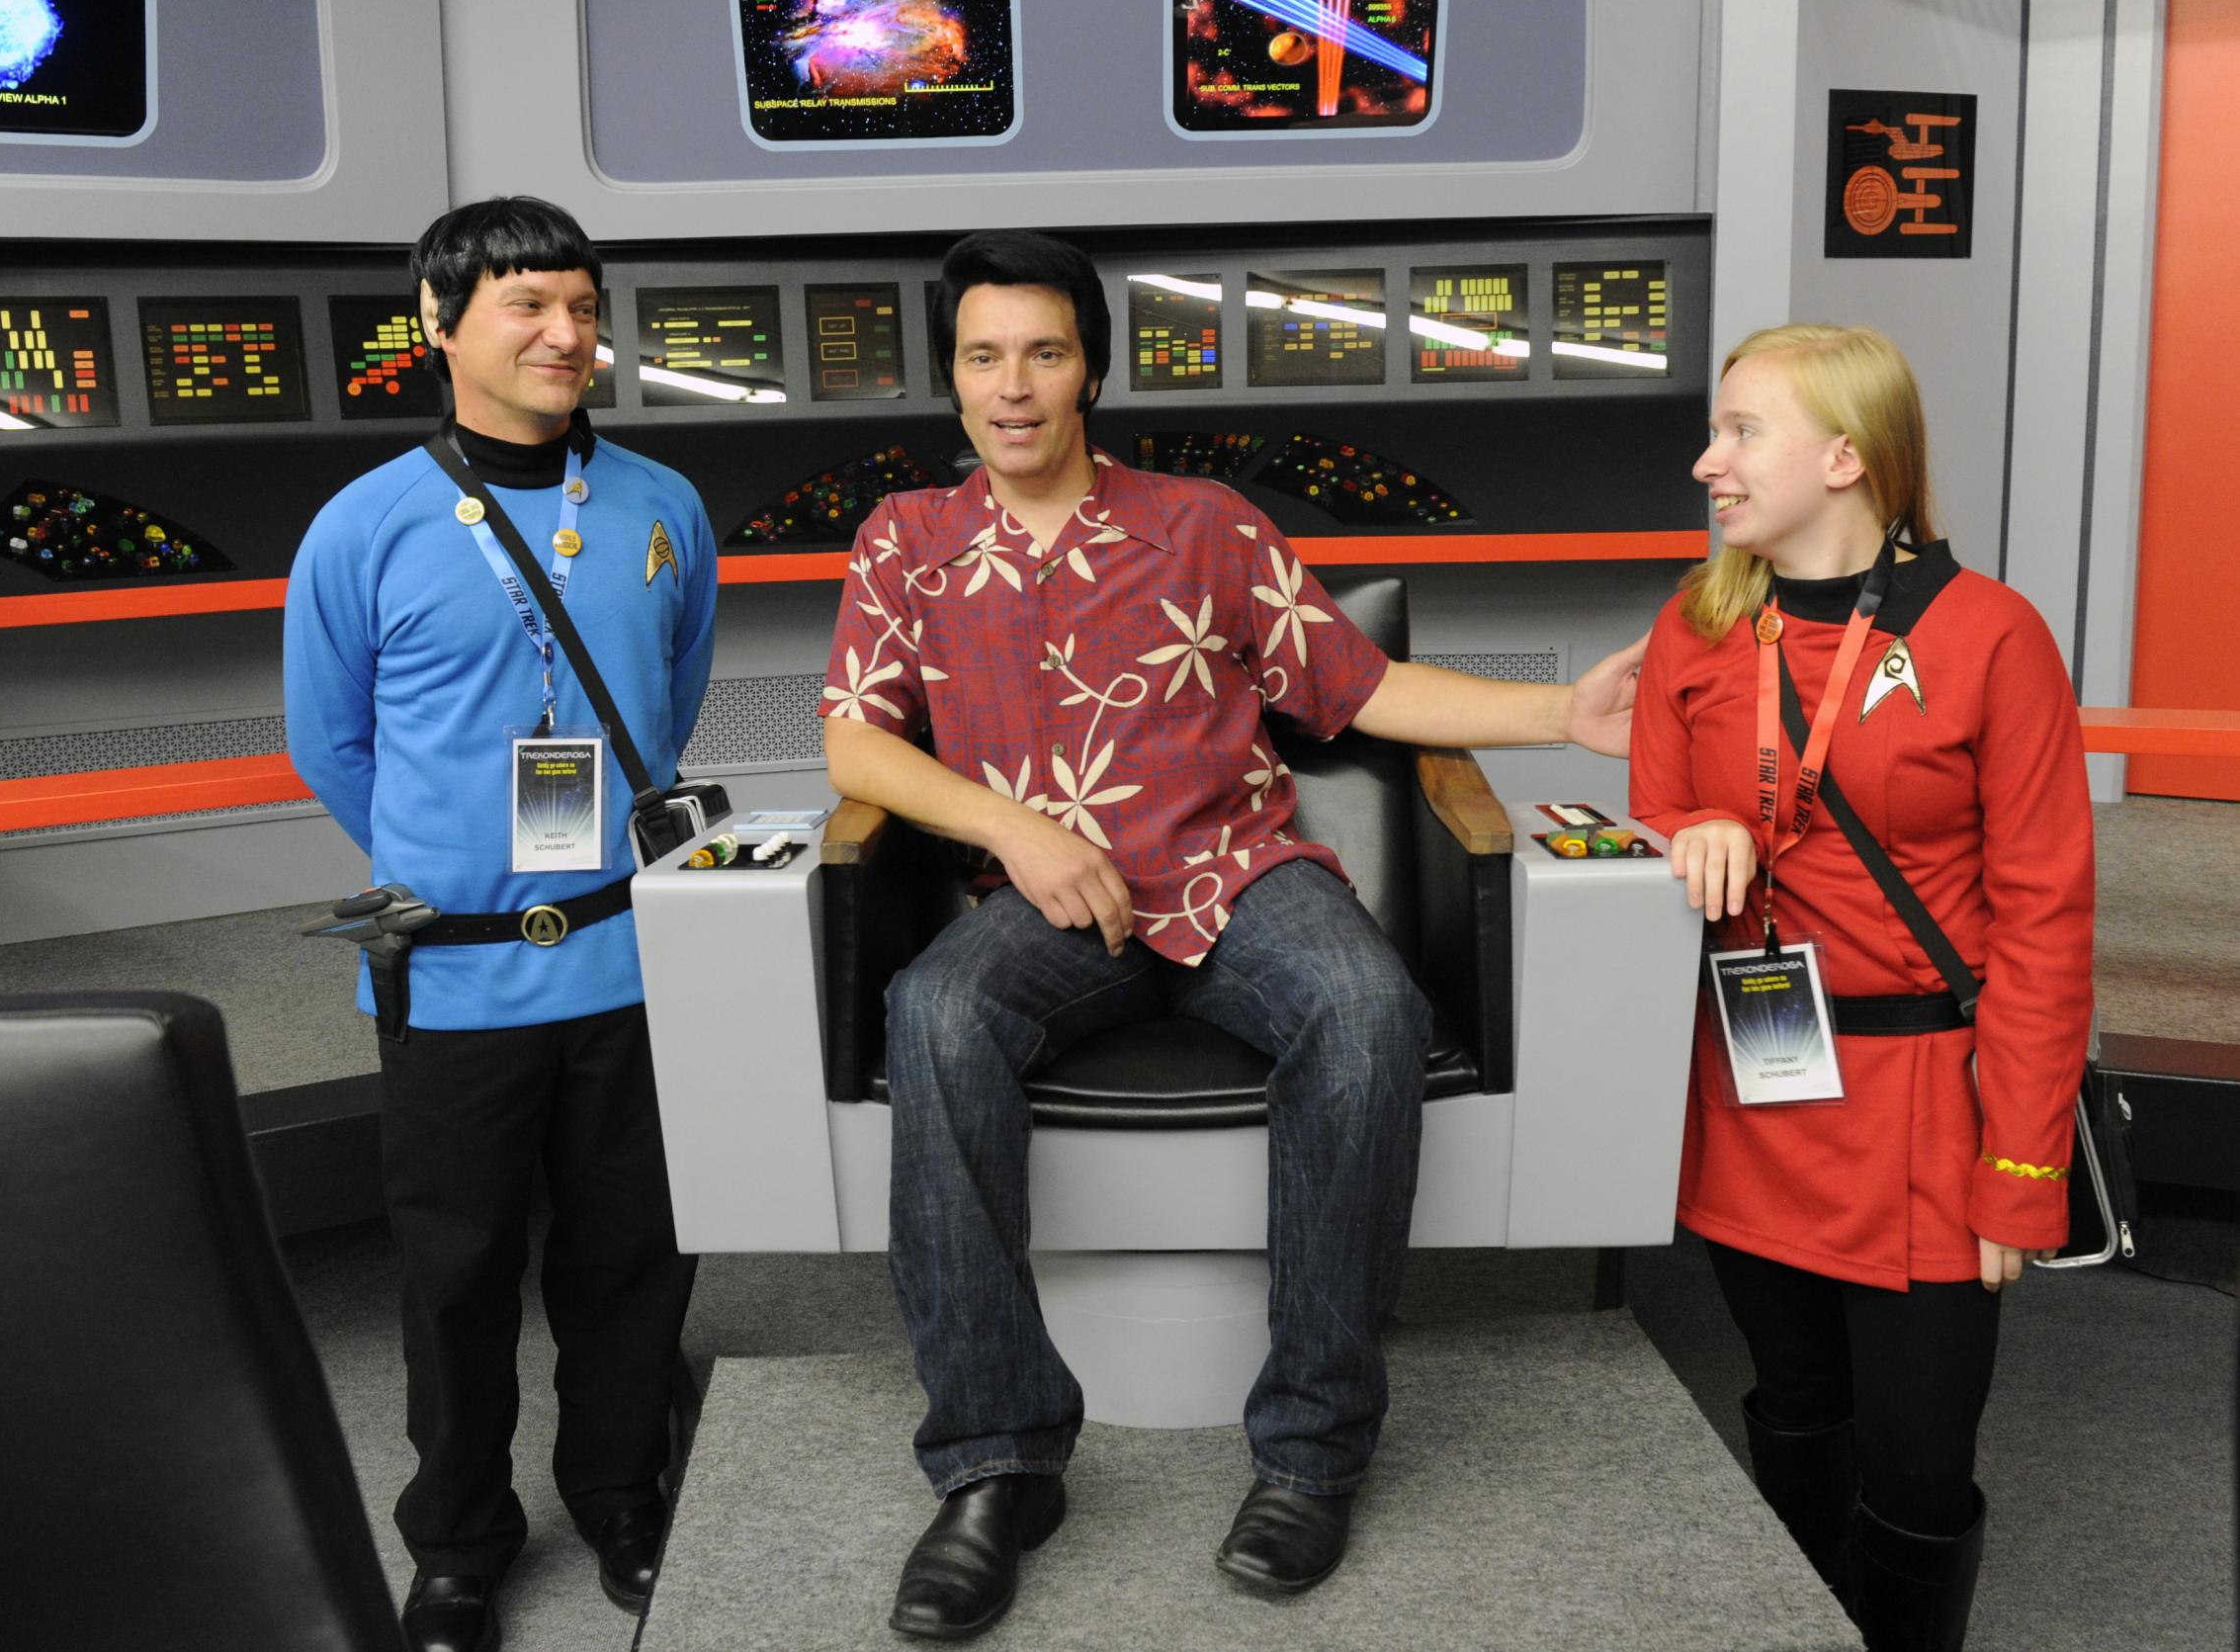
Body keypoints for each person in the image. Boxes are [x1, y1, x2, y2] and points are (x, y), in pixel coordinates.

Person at [818, 228, 1644, 1639]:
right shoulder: (910, 538)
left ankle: (1313, 1449)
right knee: (936, 1014)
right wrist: (1015, 828)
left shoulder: (1202, 521)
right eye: (984, 356)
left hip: (1235, 874)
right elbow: (854, 743)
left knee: (1367, 1008)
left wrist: (1557, 712)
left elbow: (1359, 685)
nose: (1014, 386)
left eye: (1046, 352)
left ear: (1091, 370)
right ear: (949, 377)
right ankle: (998, 1465)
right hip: (1042, 902)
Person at [285, 195, 716, 1651]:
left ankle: (623, 1493)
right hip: (454, 977)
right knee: (455, 1275)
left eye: (585, 306)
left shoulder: (662, 504)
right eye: (530, 304)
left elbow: (671, 696)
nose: (565, 333)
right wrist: (457, 869)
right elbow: (329, 743)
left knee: (631, 1255)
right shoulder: (366, 525)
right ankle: (461, 1540)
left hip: (631, 955)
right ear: (437, 319)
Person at [1629, 324, 2093, 1652]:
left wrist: (2023, 1166)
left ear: (1845, 455)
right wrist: (1684, 830)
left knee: (1918, 1466)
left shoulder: (1993, 636)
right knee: (1789, 1401)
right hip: (1762, 1087)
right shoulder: (1700, 621)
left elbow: (2048, 918)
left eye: (1742, 431)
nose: (1709, 459)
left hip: (1933, 1115)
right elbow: (1658, 796)